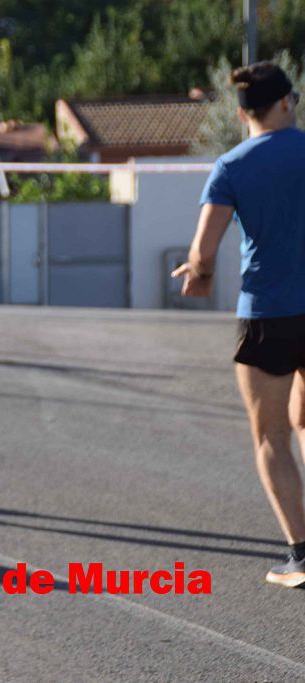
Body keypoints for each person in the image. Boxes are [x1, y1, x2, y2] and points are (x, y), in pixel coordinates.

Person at [173, 61, 305, 588]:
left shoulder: (230, 164)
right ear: (288, 102)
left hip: (268, 314)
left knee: (272, 430)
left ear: (240, 112)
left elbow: (203, 252)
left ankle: (301, 552)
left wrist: (197, 274)